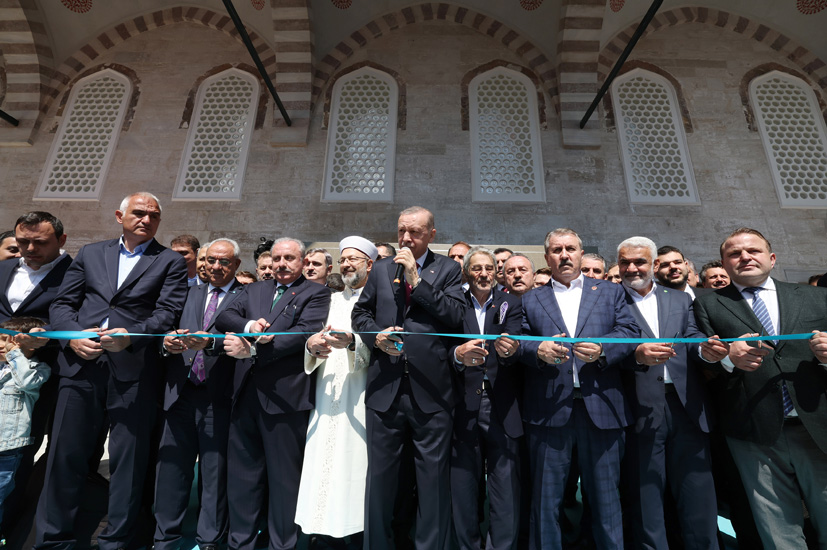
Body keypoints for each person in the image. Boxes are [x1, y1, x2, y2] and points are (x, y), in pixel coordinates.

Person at [35, 192, 188, 550]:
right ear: (120, 215)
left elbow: (168, 313)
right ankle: (53, 540)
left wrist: (131, 338)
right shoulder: (91, 253)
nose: (146, 220)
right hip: (80, 366)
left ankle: (115, 541)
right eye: (138, 213)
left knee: (128, 464)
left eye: (153, 216)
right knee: (64, 456)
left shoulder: (169, 262)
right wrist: (72, 337)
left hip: (133, 371)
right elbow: (63, 303)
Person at [694, 227, 827, 548]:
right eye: (734, 254)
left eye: (752, 251)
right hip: (753, 433)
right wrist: (728, 359)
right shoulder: (707, 305)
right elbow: (703, 362)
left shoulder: (816, 296)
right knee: (778, 529)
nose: (745, 257)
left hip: (817, 425)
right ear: (724, 265)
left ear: (771, 257)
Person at [351, 206, 465, 549]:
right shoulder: (382, 269)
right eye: (402, 230)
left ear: (431, 234)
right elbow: (361, 313)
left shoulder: (448, 269)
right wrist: (376, 337)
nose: (405, 238)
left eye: (414, 232)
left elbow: (455, 315)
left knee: (432, 482)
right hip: (385, 390)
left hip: (432, 391)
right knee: (381, 482)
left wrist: (418, 280)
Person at [519, 228, 638, 550]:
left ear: (581, 253)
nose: (564, 255)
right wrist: (537, 350)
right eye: (556, 250)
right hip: (549, 410)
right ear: (546, 258)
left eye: (570, 248)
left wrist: (603, 348)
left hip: (602, 407)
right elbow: (516, 340)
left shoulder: (609, 292)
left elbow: (630, 331)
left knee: (606, 500)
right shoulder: (530, 298)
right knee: (546, 501)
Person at [215, 237, 331, 550]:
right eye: (276, 258)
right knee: (242, 479)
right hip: (244, 397)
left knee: (284, 483)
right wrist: (250, 325)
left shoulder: (317, 293)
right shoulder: (253, 290)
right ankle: (241, 543)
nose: (280, 264)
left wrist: (251, 350)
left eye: (289, 258)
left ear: (303, 262)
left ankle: (284, 544)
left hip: (285, 401)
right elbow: (223, 317)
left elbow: (305, 332)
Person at [616, 236, 726, 550]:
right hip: (638, 407)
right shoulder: (609, 299)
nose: (632, 268)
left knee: (698, 493)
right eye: (625, 262)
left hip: (687, 406)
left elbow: (693, 338)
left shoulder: (679, 300)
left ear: (654, 265)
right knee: (646, 496)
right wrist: (636, 354)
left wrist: (708, 351)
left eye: (639, 261)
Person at [153, 238, 245, 550]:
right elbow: (161, 330)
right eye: (210, 261)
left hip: (218, 396)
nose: (215, 267)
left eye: (224, 262)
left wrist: (213, 344)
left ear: (236, 266)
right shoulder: (185, 293)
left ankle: (209, 541)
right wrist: (166, 344)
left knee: (214, 473)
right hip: (180, 393)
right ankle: (164, 538)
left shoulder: (245, 297)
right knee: (171, 471)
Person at [296, 236, 378, 549]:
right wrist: (311, 346)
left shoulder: (377, 301)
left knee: (354, 464)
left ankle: (353, 531)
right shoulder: (327, 300)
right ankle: (319, 530)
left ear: (369, 264)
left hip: (359, 397)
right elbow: (308, 338)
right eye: (342, 260)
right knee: (321, 461)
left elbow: (386, 347)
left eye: (353, 259)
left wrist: (355, 343)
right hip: (325, 394)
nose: (346, 265)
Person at [0, 211, 72, 539]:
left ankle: (9, 526)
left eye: (39, 242)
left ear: (61, 240)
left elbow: (77, 317)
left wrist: (45, 336)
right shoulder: (2, 268)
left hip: (39, 377)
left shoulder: (75, 274)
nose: (29, 248)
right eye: (22, 241)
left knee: (18, 455)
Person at [450, 246, 522, 550]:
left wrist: (512, 350)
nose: (483, 274)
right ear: (467, 272)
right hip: (461, 403)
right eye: (477, 268)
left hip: (500, 403)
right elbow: (437, 347)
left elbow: (518, 337)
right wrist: (456, 355)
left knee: (505, 487)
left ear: (497, 272)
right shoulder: (452, 301)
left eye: (489, 268)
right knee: (463, 486)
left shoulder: (511, 302)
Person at [0, 317, 50, 524]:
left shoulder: (37, 369)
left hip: (7, 450)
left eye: (6, 340)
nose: (1, 345)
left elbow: (26, 382)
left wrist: (14, 355)